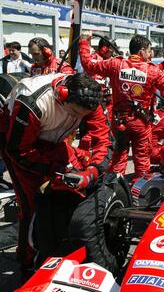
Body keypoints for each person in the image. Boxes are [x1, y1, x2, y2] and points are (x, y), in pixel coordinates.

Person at [0, 72, 113, 280]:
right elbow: (19, 151)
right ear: (62, 95)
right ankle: (27, 261)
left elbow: (103, 139)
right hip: (19, 145)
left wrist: (92, 172)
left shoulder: (89, 98)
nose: (80, 119)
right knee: (32, 204)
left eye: (84, 116)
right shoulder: (33, 102)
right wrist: (55, 171)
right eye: (77, 114)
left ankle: (60, 243)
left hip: (55, 140)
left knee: (78, 179)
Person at [79, 34, 164, 181]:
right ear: (141, 52)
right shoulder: (152, 71)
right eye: (149, 51)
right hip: (141, 122)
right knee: (142, 158)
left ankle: (114, 187)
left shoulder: (115, 64)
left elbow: (88, 64)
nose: (150, 54)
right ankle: (139, 193)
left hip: (119, 121)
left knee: (119, 156)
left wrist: (84, 43)